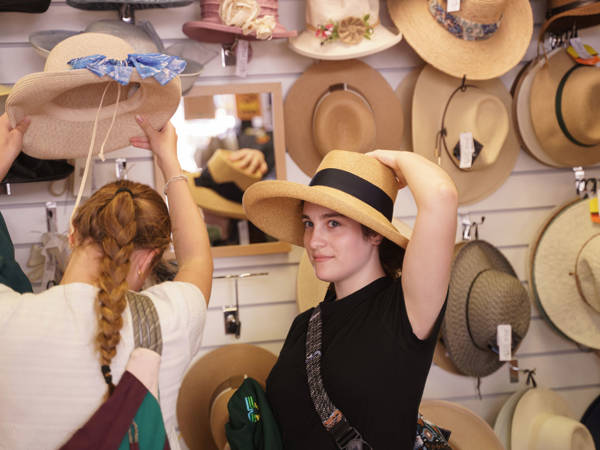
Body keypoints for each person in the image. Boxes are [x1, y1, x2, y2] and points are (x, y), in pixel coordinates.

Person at [0, 112, 213, 449]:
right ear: (148, 259)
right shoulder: (166, 321)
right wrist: (169, 162)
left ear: (72, 232)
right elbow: (198, 260)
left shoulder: (7, 315)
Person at [242, 149, 458, 449]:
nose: (314, 241)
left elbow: (441, 195)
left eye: (333, 223)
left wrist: (392, 159)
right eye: (309, 223)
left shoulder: (403, 311)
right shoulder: (305, 325)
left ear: (374, 234)